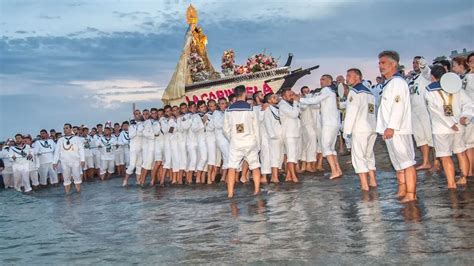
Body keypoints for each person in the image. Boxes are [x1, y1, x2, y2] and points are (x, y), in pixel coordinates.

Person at [377, 50, 418, 203]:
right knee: (398, 163)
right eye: (379, 63)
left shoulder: (398, 82)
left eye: (383, 63)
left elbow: (398, 106)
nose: (380, 66)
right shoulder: (389, 83)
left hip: (398, 130)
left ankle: (411, 193)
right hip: (390, 130)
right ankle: (402, 189)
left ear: (393, 64)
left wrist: (391, 127)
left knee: (407, 162)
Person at [424, 66, 472, 188]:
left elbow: (435, 111)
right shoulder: (456, 88)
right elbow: (469, 104)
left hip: (441, 129)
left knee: (445, 156)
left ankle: (451, 184)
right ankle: (463, 178)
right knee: (461, 153)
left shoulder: (429, 90)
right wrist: (465, 116)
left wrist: (450, 123)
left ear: (432, 77)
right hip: (459, 125)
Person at [300, 74, 343, 179]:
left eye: (323, 79)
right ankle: (338, 169)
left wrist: (299, 100)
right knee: (331, 148)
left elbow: (315, 101)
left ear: (329, 81)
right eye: (320, 79)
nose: (321, 81)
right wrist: (306, 100)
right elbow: (317, 104)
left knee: (325, 147)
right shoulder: (331, 92)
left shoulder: (326, 90)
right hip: (334, 123)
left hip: (329, 123)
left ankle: (334, 171)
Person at [223, 85, 261, 198]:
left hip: (236, 142)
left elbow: (225, 129)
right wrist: (257, 143)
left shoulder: (228, 110)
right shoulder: (251, 108)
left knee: (232, 167)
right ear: (244, 94)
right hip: (250, 141)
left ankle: (230, 193)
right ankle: (256, 190)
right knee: (254, 166)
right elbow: (256, 128)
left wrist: (233, 138)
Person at [343, 68, 377, 191]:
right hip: (371, 127)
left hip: (360, 128)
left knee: (358, 157)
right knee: (369, 155)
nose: (347, 78)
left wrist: (346, 132)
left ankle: (364, 185)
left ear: (357, 77)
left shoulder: (354, 92)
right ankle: (372, 181)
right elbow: (372, 110)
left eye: (349, 76)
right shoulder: (369, 92)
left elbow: (351, 113)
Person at [406, 56, 436, 170]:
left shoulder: (426, 75)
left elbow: (426, 70)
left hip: (425, 110)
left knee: (431, 137)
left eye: (417, 62)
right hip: (414, 111)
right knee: (420, 138)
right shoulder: (411, 79)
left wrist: (422, 63)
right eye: (413, 62)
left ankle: (437, 161)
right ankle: (426, 162)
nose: (415, 64)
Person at [453, 55, 474, 177]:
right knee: (467, 143)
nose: (471, 64)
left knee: (469, 144)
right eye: (470, 61)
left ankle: (470, 170)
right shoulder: (465, 77)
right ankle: (468, 169)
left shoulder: (470, 77)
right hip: (465, 113)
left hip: (470, 113)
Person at [53, 123, 85, 194]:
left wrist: (82, 160)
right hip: (64, 162)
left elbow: (81, 149)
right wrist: (55, 162)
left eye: (66, 128)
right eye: (64, 128)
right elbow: (57, 152)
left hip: (75, 161)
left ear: (71, 129)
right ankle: (68, 195)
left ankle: (78, 194)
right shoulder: (60, 140)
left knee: (77, 177)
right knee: (66, 178)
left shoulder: (77, 139)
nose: (65, 129)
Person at [278, 88, 301, 182]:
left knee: (294, 156)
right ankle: (294, 177)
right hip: (289, 134)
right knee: (291, 156)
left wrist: (297, 102)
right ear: (283, 96)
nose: (292, 96)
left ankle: (289, 176)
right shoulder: (283, 105)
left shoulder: (290, 104)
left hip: (294, 133)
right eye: (289, 95)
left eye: (292, 94)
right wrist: (295, 102)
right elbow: (294, 114)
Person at [263, 92, 284, 183]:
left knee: (280, 156)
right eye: (273, 97)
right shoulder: (268, 109)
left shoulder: (278, 108)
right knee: (274, 156)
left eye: (276, 96)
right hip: (274, 137)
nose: (276, 98)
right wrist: (272, 136)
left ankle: (276, 175)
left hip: (281, 135)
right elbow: (268, 124)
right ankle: (274, 177)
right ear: (269, 100)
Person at [299, 86, 318, 172]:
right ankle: (308, 164)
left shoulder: (312, 100)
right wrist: (306, 99)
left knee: (307, 144)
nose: (307, 93)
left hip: (312, 124)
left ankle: (304, 165)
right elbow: (303, 108)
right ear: (302, 93)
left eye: (308, 91)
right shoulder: (301, 102)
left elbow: (317, 106)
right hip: (305, 124)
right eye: (305, 92)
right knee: (311, 142)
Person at [123, 110, 144, 186]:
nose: (138, 115)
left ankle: (138, 181)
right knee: (132, 165)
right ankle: (125, 181)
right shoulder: (131, 126)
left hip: (141, 147)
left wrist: (139, 129)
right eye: (136, 114)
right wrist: (136, 128)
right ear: (134, 116)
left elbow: (143, 134)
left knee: (139, 165)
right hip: (133, 148)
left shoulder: (143, 124)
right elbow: (131, 135)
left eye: (139, 114)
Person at [213, 98, 230, 183]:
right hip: (220, 138)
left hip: (227, 138)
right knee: (228, 156)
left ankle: (224, 177)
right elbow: (217, 125)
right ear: (218, 105)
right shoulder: (216, 113)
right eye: (222, 104)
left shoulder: (226, 112)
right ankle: (225, 177)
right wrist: (226, 115)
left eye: (225, 103)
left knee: (226, 157)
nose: (224, 105)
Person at [193, 101, 208, 184]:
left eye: (204, 106)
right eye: (201, 107)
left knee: (207, 159)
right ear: (198, 109)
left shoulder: (208, 115)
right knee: (203, 158)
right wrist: (202, 122)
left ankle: (202, 179)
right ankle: (197, 176)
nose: (204, 108)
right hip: (200, 139)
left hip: (208, 139)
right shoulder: (196, 116)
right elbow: (194, 129)